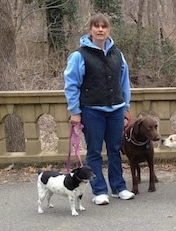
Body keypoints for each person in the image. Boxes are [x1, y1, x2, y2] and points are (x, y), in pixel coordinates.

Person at [64, 13, 134, 205]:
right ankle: (99, 190)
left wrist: (125, 105)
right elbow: (71, 84)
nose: (100, 29)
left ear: (108, 29)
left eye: (104, 26)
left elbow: (124, 81)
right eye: (97, 26)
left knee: (115, 149)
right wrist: (75, 111)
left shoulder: (118, 54)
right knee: (94, 151)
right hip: (92, 110)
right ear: (91, 29)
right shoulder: (79, 55)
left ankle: (118, 187)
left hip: (116, 109)